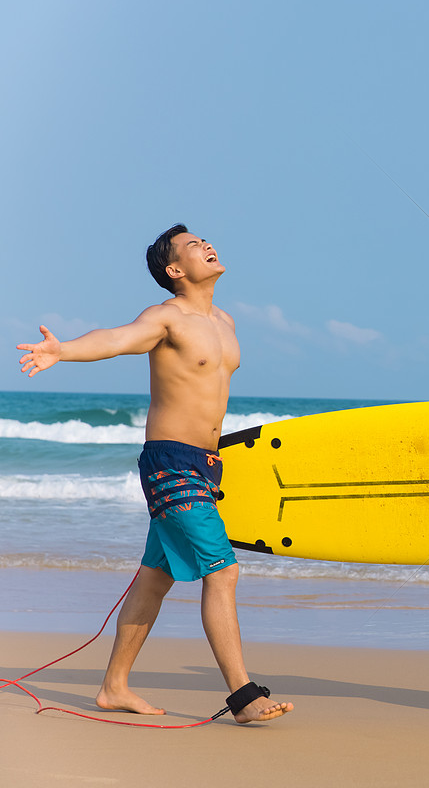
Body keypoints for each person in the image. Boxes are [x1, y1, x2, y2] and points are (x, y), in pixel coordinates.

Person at [17, 224, 293, 724]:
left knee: (155, 578)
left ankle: (113, 686)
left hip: (207, 465)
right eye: (192, 246)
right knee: (223, 570)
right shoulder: (166, 318)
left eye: (205, 240)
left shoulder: (225, 321)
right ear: (175, 270)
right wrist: (64, 351)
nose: (207, 245)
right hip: (170, 462)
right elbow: (117, 339)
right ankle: (243, 696)